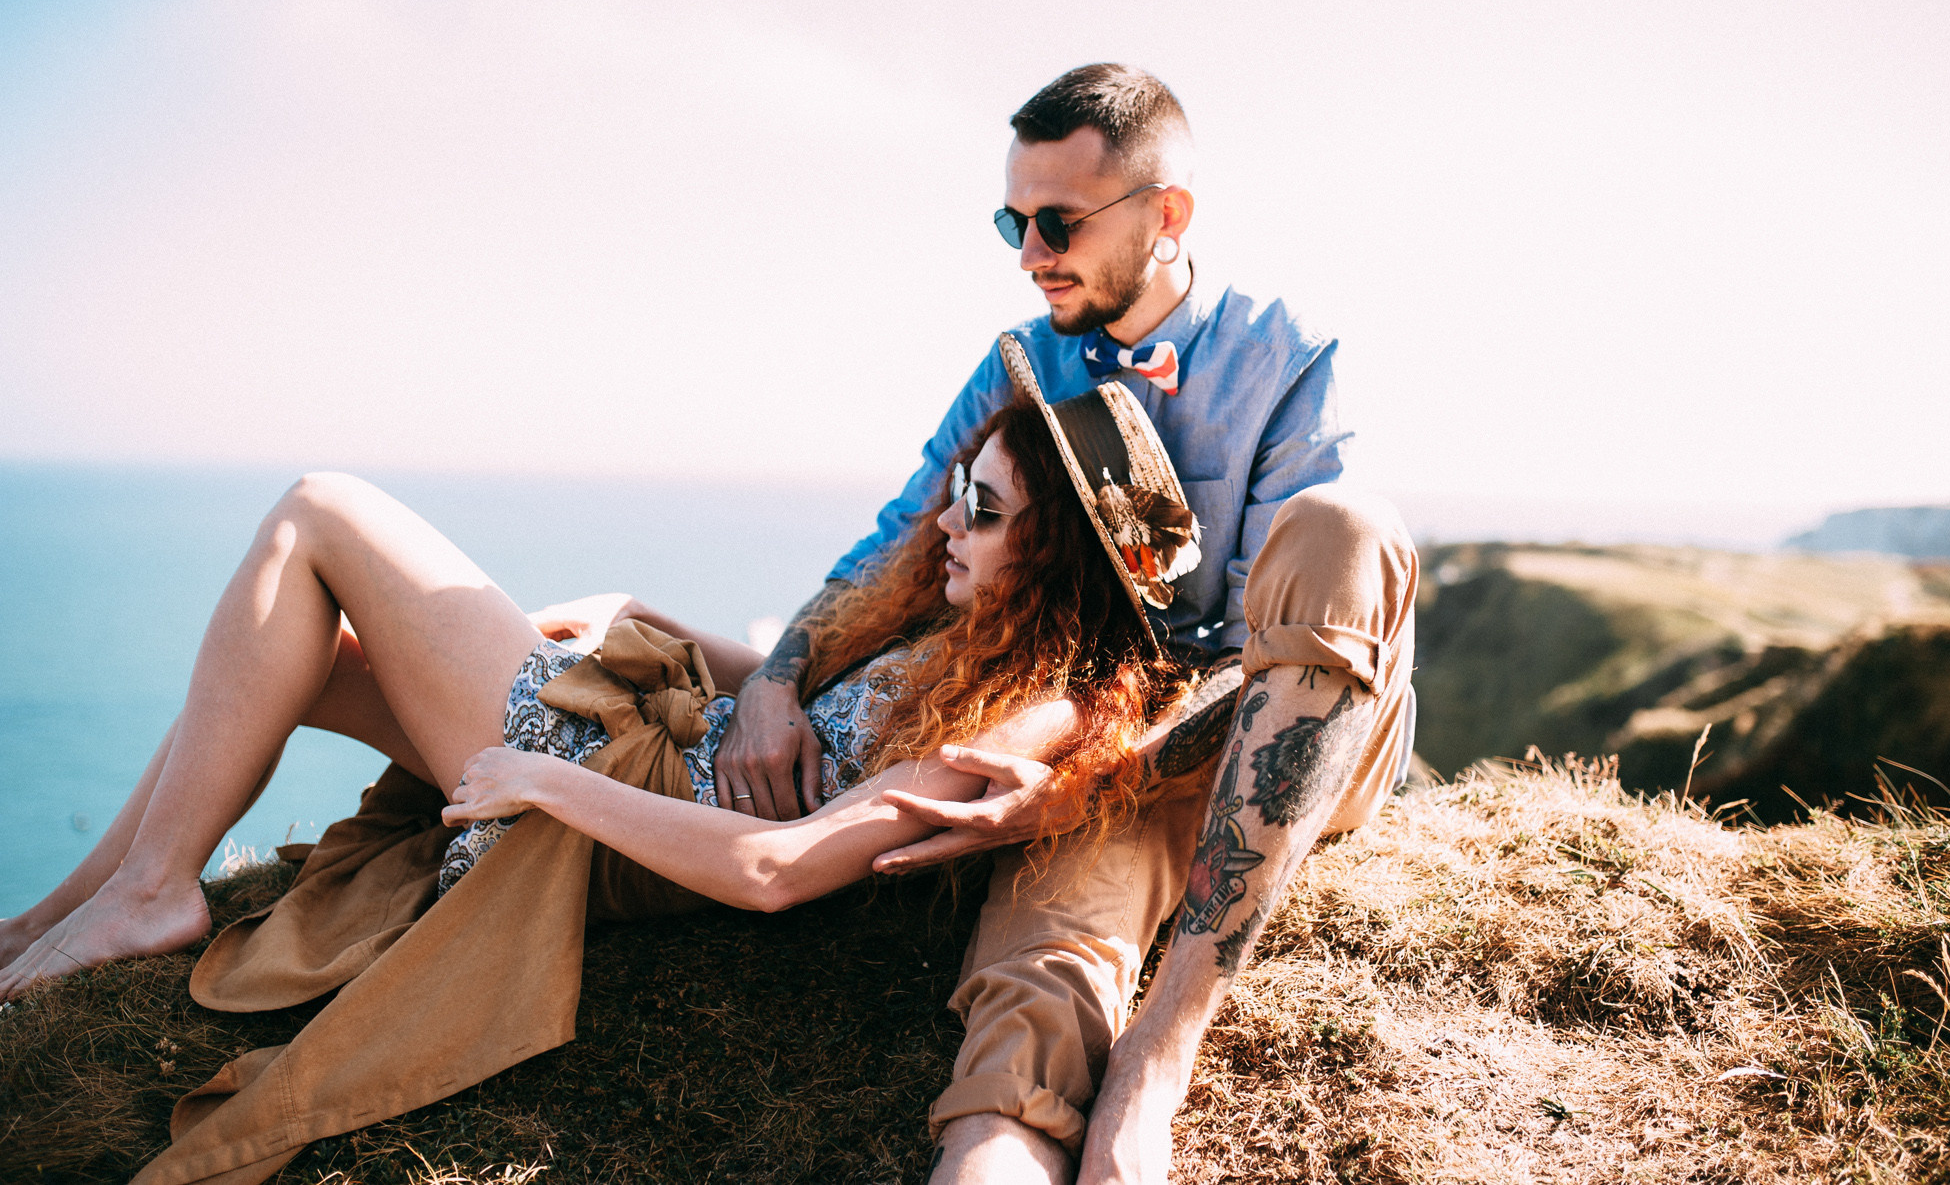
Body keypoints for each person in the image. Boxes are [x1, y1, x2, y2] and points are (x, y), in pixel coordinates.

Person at [0, 367, 1208, 1185]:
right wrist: (635, 610)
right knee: (288, 658)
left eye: (982, 508)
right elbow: (786, 692)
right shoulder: (967, 633)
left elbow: (778, 867)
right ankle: (76, 906)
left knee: (321, 509)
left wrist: (547, 783)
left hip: (624, 798)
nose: (947, 519)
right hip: (638, 753)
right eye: (957, 490)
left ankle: (150, 890)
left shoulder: (1034, 716)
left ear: (1055, 552)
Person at [711, 64, 1421, 1184]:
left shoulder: (1285, 356)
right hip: (1090, 732)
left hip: (1282, 722)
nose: (1028, 252)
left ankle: (1161, 1052)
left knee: (1345, 528)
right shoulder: (1020, 358)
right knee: (1029, 1023)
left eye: (1058, 222)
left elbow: (1271, 658)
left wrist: (1095, 770)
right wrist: (773, 678)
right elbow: (896, 539)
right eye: (1013, 222)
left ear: (1166, 213)